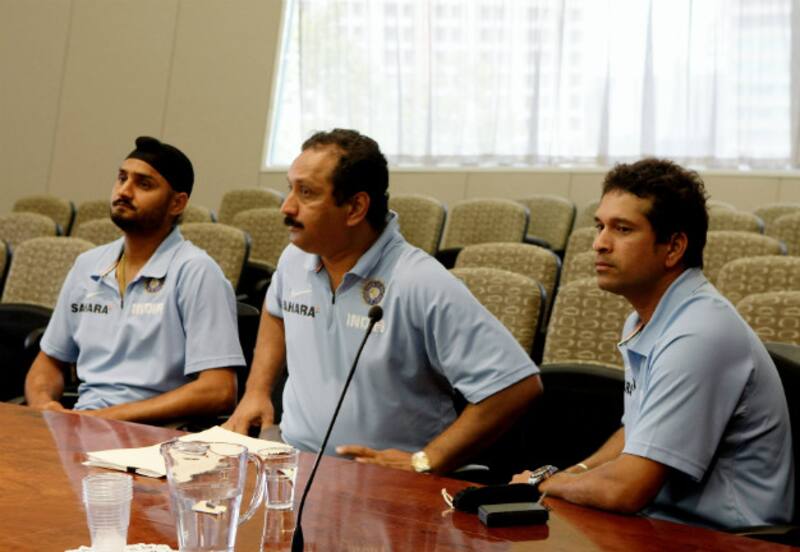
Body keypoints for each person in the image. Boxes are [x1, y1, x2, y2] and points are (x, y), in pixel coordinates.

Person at [224, 129, 542, 474]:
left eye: (307, 193)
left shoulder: (419, 280)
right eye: (290, 188)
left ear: (356, 207)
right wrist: (256, 391)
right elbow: (276, 312)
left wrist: (427, 460)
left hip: (384, 481)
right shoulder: (294, 259)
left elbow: (516, 386)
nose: (287, 207)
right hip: (296, 463)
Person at [513, 158, 794, 529]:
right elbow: (639, 433)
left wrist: (547, 483)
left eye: (622, 229)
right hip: (662, 524)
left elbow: (626, 490)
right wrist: (572, 473)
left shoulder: (698, 333)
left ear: (674, 247)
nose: (599, 244)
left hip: (730, 538)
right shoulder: (645, 318)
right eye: (600, 226)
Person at [25, 136, 244, 423]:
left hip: (155, 435)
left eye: (144, 184)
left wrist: (106, 418)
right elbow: (49, 362)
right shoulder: (87, 265)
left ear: (177, 203)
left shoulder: (196, 271)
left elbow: (218, 389)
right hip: (83, 426)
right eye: (121, 178)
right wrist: (45, 405)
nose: (124, 191)